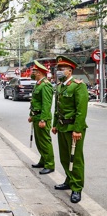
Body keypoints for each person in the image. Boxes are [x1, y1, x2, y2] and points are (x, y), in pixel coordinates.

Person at [52, 55, 88, 203]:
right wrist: (54, 124)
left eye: (61, 69)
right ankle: (69, 180)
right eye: (58, 69)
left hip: (74, 127)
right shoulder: (60, 86)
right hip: (62, 126)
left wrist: (78, 129)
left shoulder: (78, 85)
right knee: (65, 157)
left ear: (69, 71)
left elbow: (81, 110)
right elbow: (57, 108)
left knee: (76, 159)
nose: (58, 71)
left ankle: (77, 187)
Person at [28, 60, 55, 175]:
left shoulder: (45, 85)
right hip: (36, 116)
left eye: (33, 71)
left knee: (45, 141)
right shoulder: (38, 84)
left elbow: (46, 104)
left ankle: (50, 164)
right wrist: (31, 115)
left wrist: (43, 119)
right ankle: (43, 160)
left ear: (39, 72)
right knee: (39, 142)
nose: (32, 73)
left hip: (42, 117)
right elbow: (35, 102)